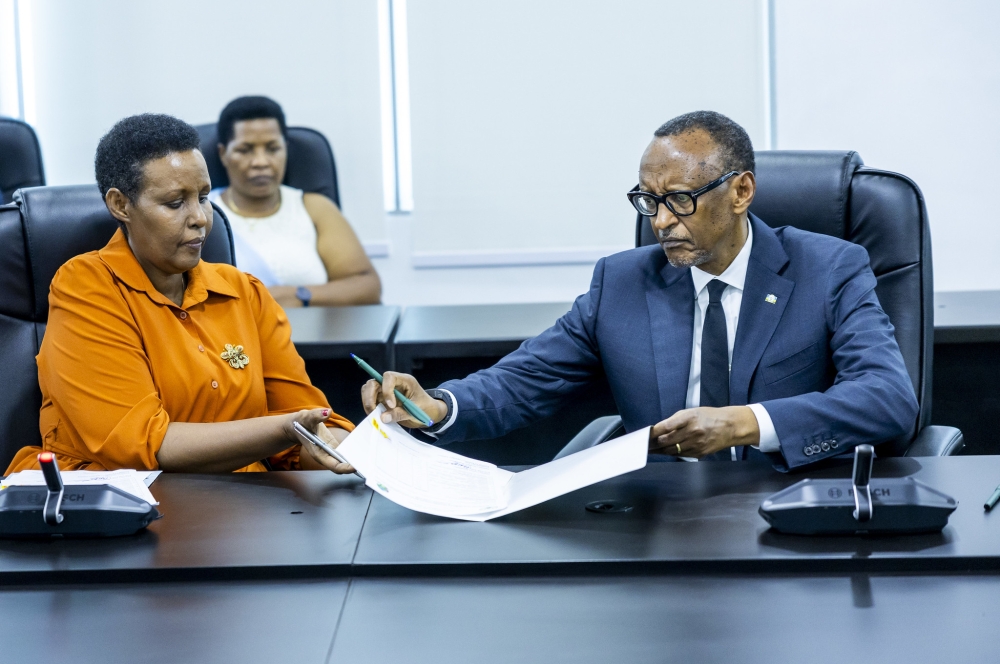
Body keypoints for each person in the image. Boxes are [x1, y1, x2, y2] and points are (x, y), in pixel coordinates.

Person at [361, 111, 919, 471]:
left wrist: (743, 423)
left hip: (790, 508)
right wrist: (438, 406)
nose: (659, 221)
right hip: (662, 519)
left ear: (741, 191)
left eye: (678, 198)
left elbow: (888, 399)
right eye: (647, 200)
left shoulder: (829, 268)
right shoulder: (622, 282)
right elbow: (523, 381)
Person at [5, 114, 356, 474]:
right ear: (121, 205)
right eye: (175, 203)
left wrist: (346, 442)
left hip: (248, 507)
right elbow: (142, 444)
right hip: (129, 509)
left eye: (204, 197)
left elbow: (302, 438)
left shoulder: (243, 291)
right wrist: (286, 429)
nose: (201, 218)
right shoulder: (86, 287)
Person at [209, 96, 381, 308]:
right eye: (245, 150)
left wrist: (298, 295)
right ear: (223, 153)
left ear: (285, 149)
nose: (261, 162)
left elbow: (367, 285)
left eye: (272, 148)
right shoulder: (203, 213)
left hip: (312, 338)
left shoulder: (314, 208)